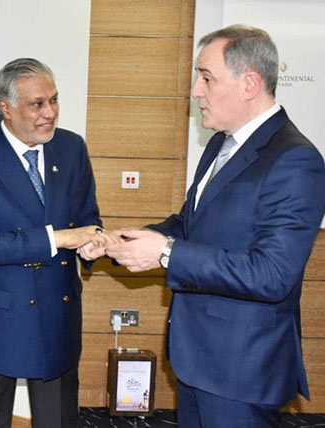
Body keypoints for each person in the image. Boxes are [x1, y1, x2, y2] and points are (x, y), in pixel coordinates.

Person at [105, 25, 325, 427]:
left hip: (241, 372)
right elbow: (191, 225)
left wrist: (165, 253)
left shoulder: (295, 160)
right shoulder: (221, 145)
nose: (195, 91)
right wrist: (120, 241)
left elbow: (272, 274)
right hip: (197, 361)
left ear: (250, 84)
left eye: (206, 78)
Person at [0, 58, 119, 428]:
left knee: (58, 420)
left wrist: (89, 244)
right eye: (37, 104)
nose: (50, 113)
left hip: (57, 311)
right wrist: (59, 238)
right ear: (6, 108)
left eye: (53, 100)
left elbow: (87, 217)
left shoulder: (71, 149)